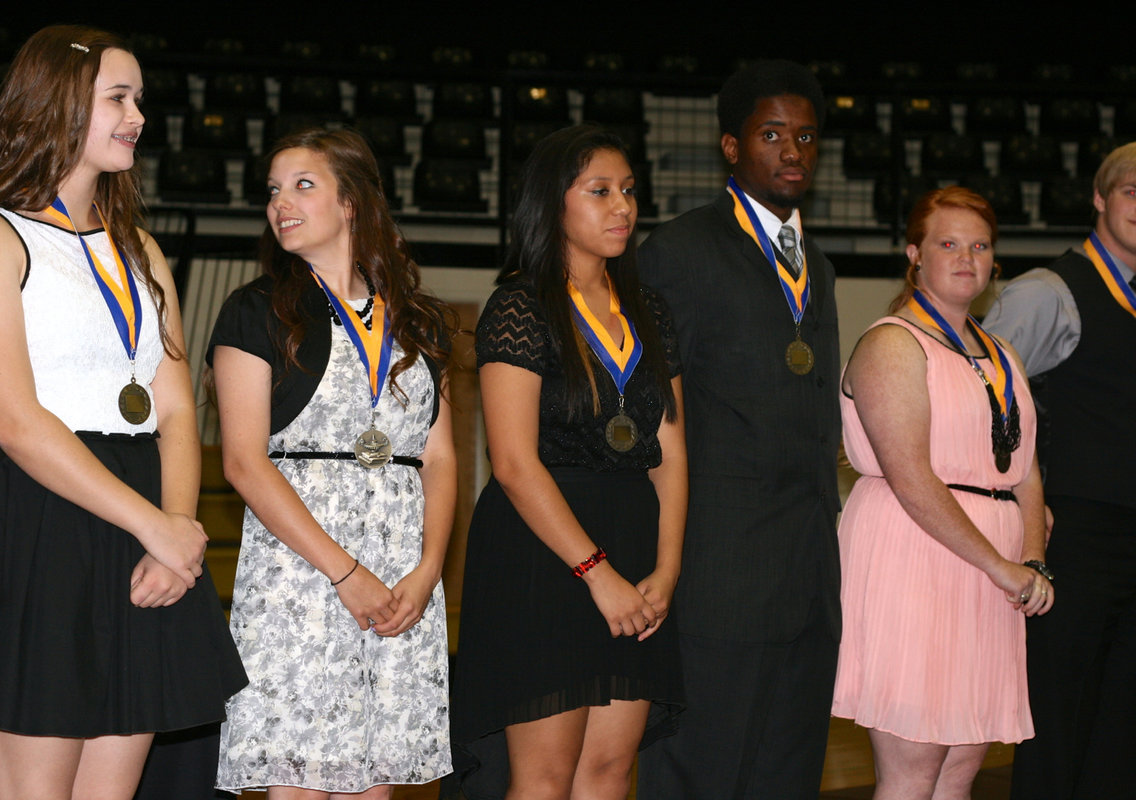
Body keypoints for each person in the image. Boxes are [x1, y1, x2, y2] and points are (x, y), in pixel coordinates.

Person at [0, 24, 246, 800]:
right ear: (58, 104)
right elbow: (14, 419)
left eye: (139, 98)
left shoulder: (138, 247)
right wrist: (155, 526)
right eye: (119, 97)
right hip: (36, 515)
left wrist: (176, 531)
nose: (138, 115)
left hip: (142, 524)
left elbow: (176, 412)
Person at [209, 127, 457, 798]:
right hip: (303, 573)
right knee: (300, 783)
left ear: (350, 202)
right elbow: (242, 463)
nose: (280, 203)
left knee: (375, 784)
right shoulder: (255, 310)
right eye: (273, 190)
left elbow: (438, 457)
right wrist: (346, 573)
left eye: (303, 185)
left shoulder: (418, 319)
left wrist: (429, 569)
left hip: (403, 578)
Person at [446, 124, 686, 800]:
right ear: (553, 203)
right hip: (544, 554)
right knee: (545, 778)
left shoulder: (650, 310)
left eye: (629, 190)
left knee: (608, 771)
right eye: (600, 191)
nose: (623, 206)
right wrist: (596, 573)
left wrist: (667, 567)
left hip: (634, 543)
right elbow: (512, 462)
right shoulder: (520, 305)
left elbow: (671, 452)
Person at [634, 60, 841, 799]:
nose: (792, 151)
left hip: (808, 574)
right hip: (718, 572)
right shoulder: (679, 251)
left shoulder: (818, 264)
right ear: (731, 146)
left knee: (788, 774)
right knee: (702, 773)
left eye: (805, 137)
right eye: (771, 134)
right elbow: (652, 417)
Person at [832, 187, 1052, 799]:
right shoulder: (892, 343)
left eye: (979, 246)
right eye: (948, 244)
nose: (966, 258)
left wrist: (1032, 559)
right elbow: (911, 478)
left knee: (961, 767)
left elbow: (1026, 470)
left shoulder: (1002, 353)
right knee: (914, 769)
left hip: (993, 572)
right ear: (914, 255)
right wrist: (1001, 566)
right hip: (917, 556)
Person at [985, 143, 1136, 800]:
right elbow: (980, 403)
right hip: (1074, 539)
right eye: (1132, 192)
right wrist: (1013, 511)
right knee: (1058, 724)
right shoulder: (1048, 293)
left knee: (1122, 730)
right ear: (1100, 198)